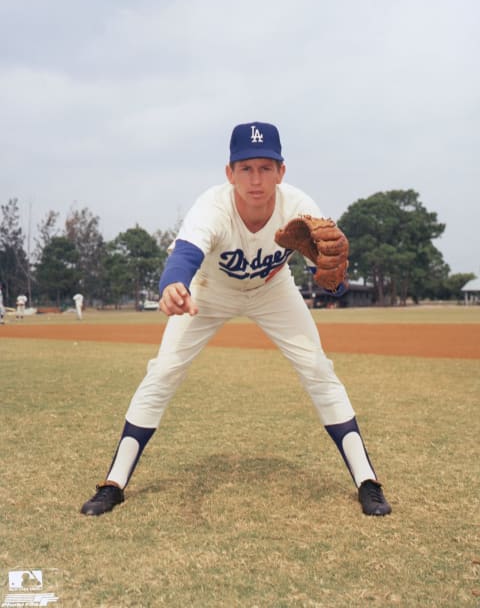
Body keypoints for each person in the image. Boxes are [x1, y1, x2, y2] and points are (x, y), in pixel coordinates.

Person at [81, 121, 392, 517]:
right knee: (163, 372)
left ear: (282, 171)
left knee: (317, 367)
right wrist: (173, 285)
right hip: (211, 290)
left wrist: (333, 280)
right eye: (245, 168)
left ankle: (368, 481)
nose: (256, 179)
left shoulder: (299, 206)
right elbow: (185, 256)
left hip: (272, 290)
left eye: (266, 167)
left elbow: (332, 282)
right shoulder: (212, 207)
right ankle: (114, 483)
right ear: (229, 173)